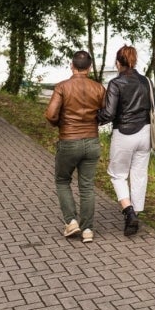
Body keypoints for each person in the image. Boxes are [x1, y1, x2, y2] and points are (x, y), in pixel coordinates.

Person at [44, 50, 106, 243]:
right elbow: (106, 113)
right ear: (89, 67)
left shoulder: (62, 87)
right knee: (87, 186)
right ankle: (88, 230)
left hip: (69, 140)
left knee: (63, 181)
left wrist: (60, 125)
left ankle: (71, 222)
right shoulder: (99, 88)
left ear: (72, 66)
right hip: (92, 141)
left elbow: (51, 114)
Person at [98, 45, 155, 236]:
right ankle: (136, 213)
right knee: (139, 173)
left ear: (118, 63)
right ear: (135, 60)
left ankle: (128, 211)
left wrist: (91, 119)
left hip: (124, 133)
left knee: (117, 174)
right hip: (146, 132)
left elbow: (108, 113)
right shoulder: (147, 81)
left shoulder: (116, 83)